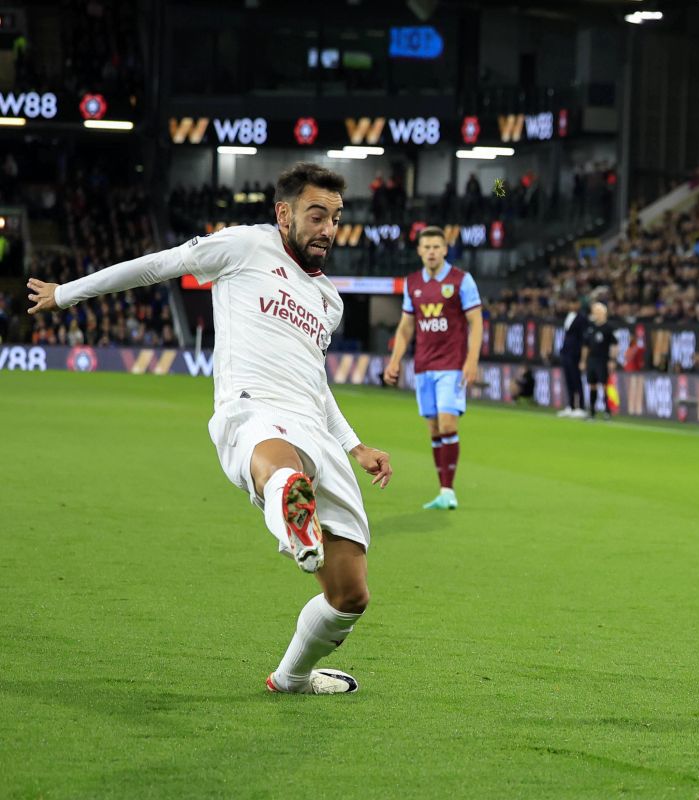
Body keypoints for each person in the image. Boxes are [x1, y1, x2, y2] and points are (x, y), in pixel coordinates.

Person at [26, 162, 393, 695]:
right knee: (281, 466)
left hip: (313, 425)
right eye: (317, 216)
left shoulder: (328, 300)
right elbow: (158, 265)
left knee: (350, 595)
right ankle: (292, 514)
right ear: (284, 214)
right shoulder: (244, 246)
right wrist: (67, 293)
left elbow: (316, 381)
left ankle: (290, 677)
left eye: (336, 219)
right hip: (252, 409)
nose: (328, 230)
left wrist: (354, 445)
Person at [383, 226, 482, 510]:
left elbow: (476, 322)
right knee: (435, 429)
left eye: (436, 247)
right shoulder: (412, 282)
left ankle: (449, 491)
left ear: (445, 249)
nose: (431, 252)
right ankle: (443, 491)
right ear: (419, 251)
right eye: (426, 247)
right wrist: (394, 360)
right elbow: (406, 327)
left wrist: (471, 360)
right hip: (424, 365)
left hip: (452, 364)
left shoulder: (461, 280)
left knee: (448, 423)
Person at [579, 302, 616, 420]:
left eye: (598, 311)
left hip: (603, 360)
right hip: (591, 360)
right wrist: (583, 360)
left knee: (604, 385)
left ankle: (607, 411)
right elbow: (586, 346)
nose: (595, 314)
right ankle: (592, 411)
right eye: (594, 311)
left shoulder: (609, 327)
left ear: (603, 313)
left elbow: (614, 345)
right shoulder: (590, 327)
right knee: (592, 385)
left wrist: (612, 360)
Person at [557, 298, 589, 418]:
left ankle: (580, 407)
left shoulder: (582, 318)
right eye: (570, 303)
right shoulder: (568, 316)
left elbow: (584, 339)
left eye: (574, 303)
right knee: (569, 380)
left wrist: (582, 358)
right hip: (566, 352)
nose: (572, 305)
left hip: (575, 353)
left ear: (578, 304)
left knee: (577, 380)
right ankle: (570, 406)